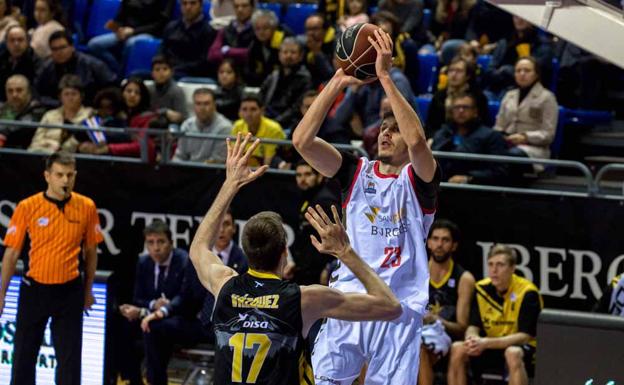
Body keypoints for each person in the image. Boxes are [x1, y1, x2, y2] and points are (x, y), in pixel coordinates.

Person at [189, 133, 403, 385]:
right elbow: (390, 307)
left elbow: (198, 248)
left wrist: (230, 184)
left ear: (245, 252)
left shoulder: (224, 285)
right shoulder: (303, 298)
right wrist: (345, 252)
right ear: (283, 253)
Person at [293, 30, 440, 385]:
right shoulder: (356, 171)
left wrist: (386, 76)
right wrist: (339, 78)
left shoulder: (420, 179)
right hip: (350, 299)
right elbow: (302, 141)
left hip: (398, 306)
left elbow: (418, 140)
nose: (386, 134)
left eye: (395, 129)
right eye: (383, 129)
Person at [0, 151, 103, 385]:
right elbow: (11, 254)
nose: (65, 181)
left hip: (69, 292)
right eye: (59, 175)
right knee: (24, 357)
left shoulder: (87, 207)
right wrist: (2, 294)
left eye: (70, 175)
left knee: (69, 361)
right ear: (47, 176)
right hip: (34, 290)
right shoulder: (28, 207)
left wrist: (88, 292)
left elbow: (90, 253)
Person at [140, 210, 248, 385]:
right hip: (198, 324)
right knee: (153, 326)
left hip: (229, 328)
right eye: (217, 225)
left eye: (226, 224)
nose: (221, 230)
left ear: (234, 229)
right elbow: (185, 295)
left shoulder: (243, 260)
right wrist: (163, 311)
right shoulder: (198, 258)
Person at [447, 244, 543, 385]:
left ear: (512, 268)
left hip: (520, 347)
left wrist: (486, 343)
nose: (494, 270)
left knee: (512, 353)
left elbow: (525, 336)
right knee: (458, 348)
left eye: (500, 265)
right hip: (490, 346)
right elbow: (473, 326)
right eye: (491, 264)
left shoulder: (527, 293)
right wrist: (471, 338)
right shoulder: (481, 289)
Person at [113, 219, 189, 385]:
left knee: (153, 328)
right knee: (122, 324)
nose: (156, 247)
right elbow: (138, 298)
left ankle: (156, 381)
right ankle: (133, 379)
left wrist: (165, 307)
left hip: (177, 318)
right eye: (151, 242)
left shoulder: (183, 260)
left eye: (161, 242)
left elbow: (185, 298)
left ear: (171, 243)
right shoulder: (144, 262)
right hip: (150, 315)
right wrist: (152, 305)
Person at [419, 219, 475, 385]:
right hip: (417, 329)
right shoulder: (417, 272)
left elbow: (461, 327)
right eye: (435, 239)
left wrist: (436, 319)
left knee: (420, 349)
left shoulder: (464, 278)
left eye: (445, 240)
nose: (439, 244)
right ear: (428, 243)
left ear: (454, 246)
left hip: (445, 334)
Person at [430, 92, 509, 184]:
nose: (461, 111)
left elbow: (499, 171)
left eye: (465, 107)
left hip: (475, 190)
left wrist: (469, 178)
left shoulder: (492, 136)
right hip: (442, 187)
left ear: (475, 112)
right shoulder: (442, 134)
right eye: (457, 107)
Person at [494, 56, 559, 168]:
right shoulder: (509, 95)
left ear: (536, 74)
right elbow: (499, 126)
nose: (522, 74)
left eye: (527, 70)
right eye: (518, 71)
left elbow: (548, 134)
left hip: (533, 148)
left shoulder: (547, 97)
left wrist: (525, 137)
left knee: (512, 156)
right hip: (507, 143)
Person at [285, 160, 340, 285]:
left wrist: (329, 267)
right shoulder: (308, 198)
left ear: (320, 176)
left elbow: (335, 239)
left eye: (307, 174)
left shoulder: (325, 201)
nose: (302, 179)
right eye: (299, 175)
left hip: (320, 273)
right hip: (306, 270)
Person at [87, 0, 176, 75]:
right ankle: (115, 68)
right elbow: (120, 15)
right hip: (125, 31)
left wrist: (134, 31)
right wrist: (119, 28)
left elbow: (160, 25)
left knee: (131, 44)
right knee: (94, 44)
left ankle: (122, 74)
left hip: (147, 32)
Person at [35, 30, 117, 106]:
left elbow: (112, 87)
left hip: (89, 108)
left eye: (63, 47)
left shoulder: (93, 65)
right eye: (54, 49)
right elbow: (37, 93)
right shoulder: (46, 68)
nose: (59, 52)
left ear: (72, 47)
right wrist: (59, 104)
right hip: (56, 109)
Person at [28, 74, 93, 153]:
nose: (70, 98)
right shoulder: (49, 115)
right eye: (66, 94)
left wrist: (58, 148)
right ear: (60, 97)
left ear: (81, 96)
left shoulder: (89, 116)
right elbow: (34, 144)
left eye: (74, 94)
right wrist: (49, 143)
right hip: (45, 156)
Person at [425, 56, 488, 137]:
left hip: (471, 140)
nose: (454, 75)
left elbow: (483, 125)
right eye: (451, 70)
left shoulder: (478, 97)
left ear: (467, 76)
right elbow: (430, 126)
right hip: (441, 138)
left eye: (459, 71)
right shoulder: (439, 96)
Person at [260, 37, 312, 130]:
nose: (288, 55)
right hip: (267, 119)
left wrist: (276, 121)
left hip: (290, 124)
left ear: (300, 56)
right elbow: (261, 95)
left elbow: (297, 107)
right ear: (279, 55)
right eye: (285, 52)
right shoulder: (274, 75)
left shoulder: (304, 78)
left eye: (293, 52)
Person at [172, 88, 232, 163]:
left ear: (214, 105)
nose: (202, 108)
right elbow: (180, 156)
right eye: (198, 104)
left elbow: (217, 161)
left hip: (211, 172)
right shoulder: (187, 125)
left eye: (206, 103)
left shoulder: (225, 127)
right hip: (187, 170)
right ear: (193, 105)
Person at [160, 0, 216, 78]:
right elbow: (161, 52)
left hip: (191, 74)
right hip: (168, 71)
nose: (188, 7)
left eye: (192, 3)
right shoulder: (170, 27)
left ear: (201, 6)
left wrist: (176, 69)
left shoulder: (209, 31)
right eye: (184, 3)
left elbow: (204, 62)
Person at [231, 93, 285, 167]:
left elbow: (267, 163)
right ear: (239, 112)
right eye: (244, 109)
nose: (248, 114)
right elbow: (234, 156)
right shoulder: (237, 126)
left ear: (262, 111)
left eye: (253, 109)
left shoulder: (273, 129)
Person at [244, 9, 289, 87]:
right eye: (257, 29)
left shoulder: (284, 39)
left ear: (274, 28)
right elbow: (249, 70)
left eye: (265, 28)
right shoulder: (253, 42)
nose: (261, 32)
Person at [0, 75, 46, 148]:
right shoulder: (3, 107)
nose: (14, 95)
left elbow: (21, 127)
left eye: (19, 90)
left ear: (28, 91)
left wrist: (3, 133)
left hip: (23, 152)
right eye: (10, 91)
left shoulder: (37, 109)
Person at [207, 0, 255, 66]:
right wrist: (236, 53)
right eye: (236, 6)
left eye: (244, 6)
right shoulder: (226, 29)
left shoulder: (257, 29)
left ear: (252, 8)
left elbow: (251, 53)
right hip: (228, 71)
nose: (240, 9)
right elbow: (212, 54)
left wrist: (227, 51)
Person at [0, 25, 41, 100]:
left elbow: (35, 88)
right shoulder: (2, 58)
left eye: (20, 40)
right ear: (6, 43)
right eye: (12, 40)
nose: (16, 44)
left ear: (27, 42)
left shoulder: (36, 62)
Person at [297, 14, 335, 87]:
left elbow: (330, 75)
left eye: (315, 29)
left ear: (325, 30)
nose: (310, 33)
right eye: (308, 29)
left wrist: (317, 52)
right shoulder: (303, 43)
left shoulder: (335, 44)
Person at [148, 55, 188, 125]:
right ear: (152, 73)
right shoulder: (149, 90)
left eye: (165, 69)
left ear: (171, 72)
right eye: (157, 70)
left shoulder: (176, 91)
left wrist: (167, 113)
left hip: (170, 128)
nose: (161, 73)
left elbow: (183, 117)